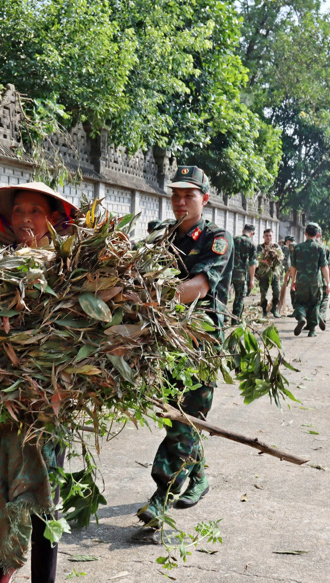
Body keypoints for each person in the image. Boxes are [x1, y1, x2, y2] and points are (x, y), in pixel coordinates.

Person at [0, 181, 77, 583]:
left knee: (43, 497)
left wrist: (62, 388)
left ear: (51, 220)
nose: (25, 218)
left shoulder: (68, 270)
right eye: (18, 212)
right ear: (7, 221)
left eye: (35, 210)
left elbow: (88, 336)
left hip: (48, 401)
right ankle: (5, 557)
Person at [137, 166, 233, 526]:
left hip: (199, 342)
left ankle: (162, 495)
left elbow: (197, 287)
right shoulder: (161, 236)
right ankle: (200, 476)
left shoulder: (216, 238)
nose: (180, 201)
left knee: (184, 418)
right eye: (175, 194)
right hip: (165, 340)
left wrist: (145, 299)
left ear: (204, 199)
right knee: (175, 415)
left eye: (188, 195)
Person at [279, 223, 330, 337]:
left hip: (301, 281)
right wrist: (328, 282)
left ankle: (301, 317)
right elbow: (324, 267)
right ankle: (312, 330)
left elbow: (293, 267)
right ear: (317, 234)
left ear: (305, 233)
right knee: (315, 304)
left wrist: (293, 281)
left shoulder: (297, 248)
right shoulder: (320, 248)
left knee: (300, 302)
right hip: (315, 282)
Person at [230, 224, 257, 320]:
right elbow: (252, 263)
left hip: (228, 273)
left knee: (224, 296)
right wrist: (252, 280)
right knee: (239, 297)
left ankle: (221, 318)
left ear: (243, 230)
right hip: (241, 275)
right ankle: (235, 320)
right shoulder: (252, 244)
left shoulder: (233, 239)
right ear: (252, 233)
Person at [256, 228, 284, 318]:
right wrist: (264, 261)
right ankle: (264, 310)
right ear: (263, 236)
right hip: (263, 273)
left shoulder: (276, 246)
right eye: (266, 236)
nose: (268, 237)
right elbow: (256, 257)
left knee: (277, 291)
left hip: (275, 272)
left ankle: (274, 308)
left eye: (270, 235)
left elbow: (282, 256)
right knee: (263, 292)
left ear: (272, 236)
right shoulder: (260, 247)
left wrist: (276, 256)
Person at [314, 229, 330, 330]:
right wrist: (329, 281)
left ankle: (311, 321)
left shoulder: (303, 246)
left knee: (313, 300)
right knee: (325, 298)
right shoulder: (324, 248)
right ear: (319, 235)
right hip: (323, 278)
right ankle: (321, 315)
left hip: (311, 279)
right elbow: (328, 266)